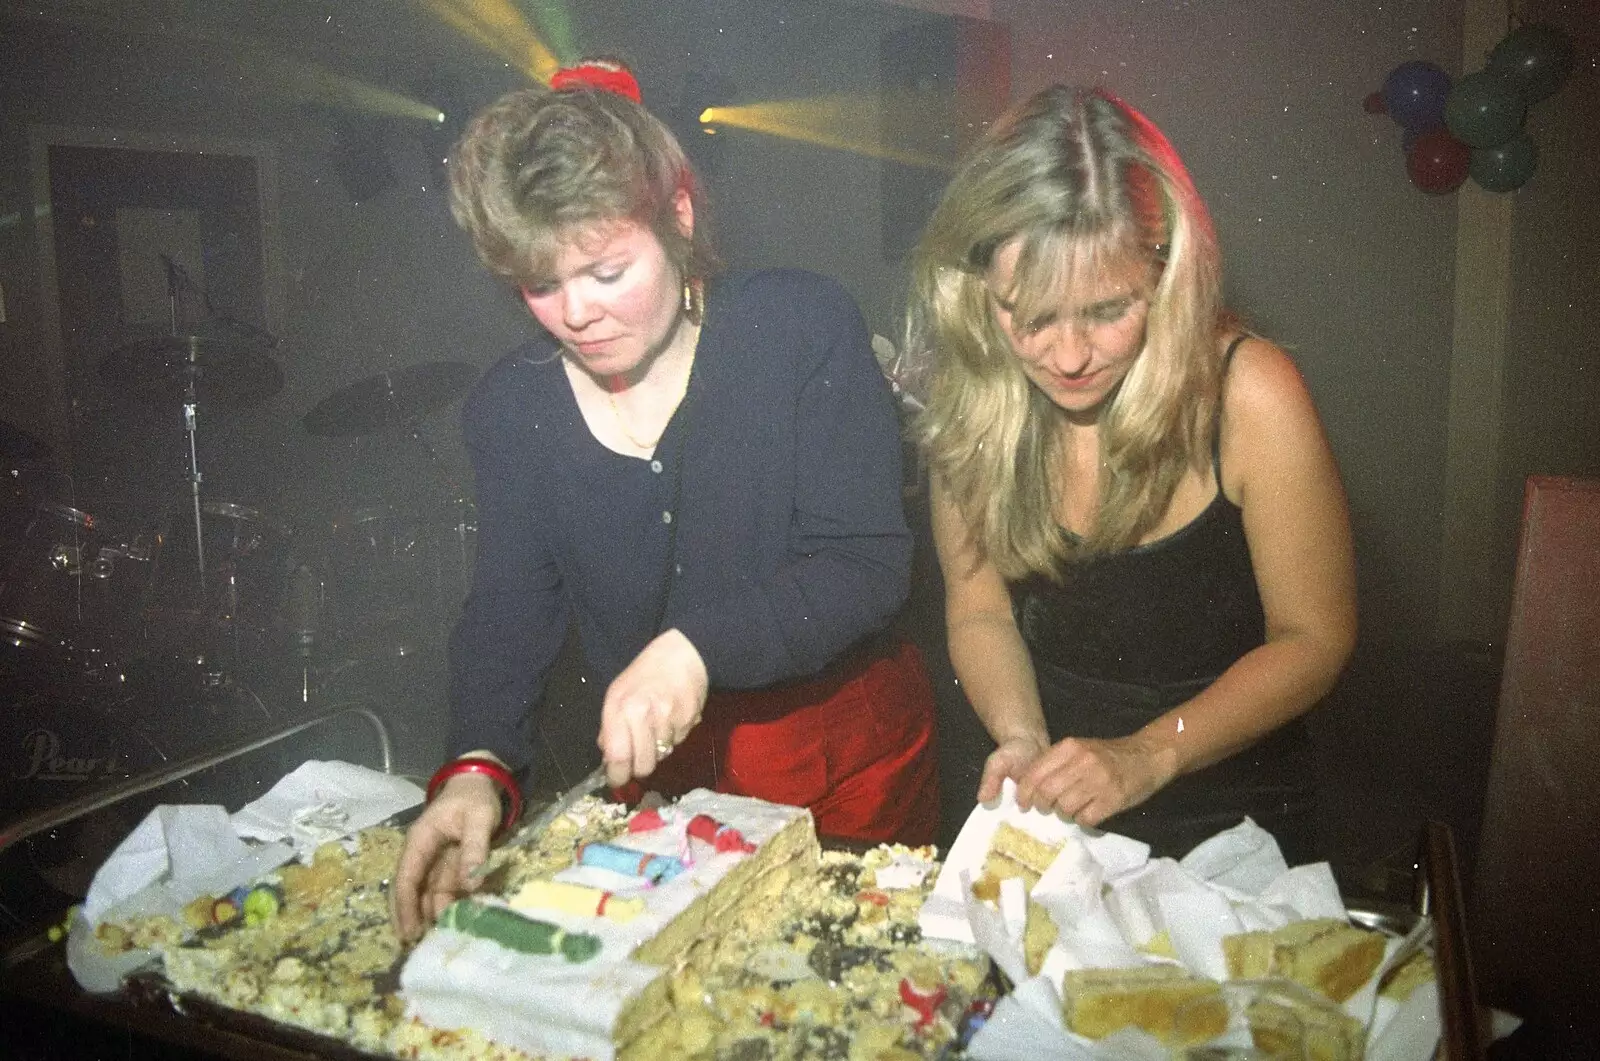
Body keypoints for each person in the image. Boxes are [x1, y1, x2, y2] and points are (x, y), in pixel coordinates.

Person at [392, 60, 938, 940]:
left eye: (606, 270)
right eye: (539, 283)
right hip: (669, 782)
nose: (574, 313)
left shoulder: (799, 326)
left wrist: (695, 647)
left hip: (848, 763)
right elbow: (506, 614)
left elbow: (868, 563)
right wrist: (475, 764)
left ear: (677, 218)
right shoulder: (511, 407)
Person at [905, 85, 1356, 863]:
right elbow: (979, 610)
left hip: (1224, 816)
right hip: (1042, 796)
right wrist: (1019, 733)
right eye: (1033, 316)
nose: (1071, 357)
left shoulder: (1253, 393)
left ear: (1167, 270)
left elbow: (1315, 637)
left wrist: (1148, 752)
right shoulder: (970, 397)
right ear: (979, 288)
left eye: (1109, 309)